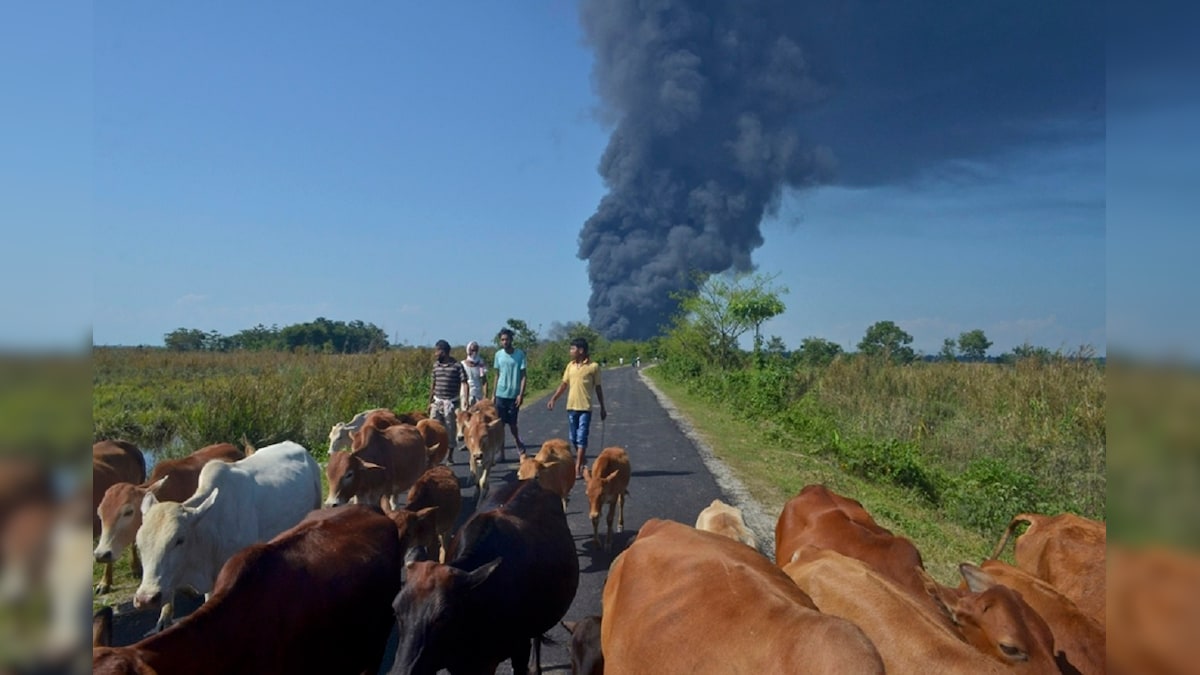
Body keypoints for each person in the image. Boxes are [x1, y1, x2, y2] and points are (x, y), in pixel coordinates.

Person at [547, 337, 607, 480]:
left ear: (581, 351)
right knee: (573, 437)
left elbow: (598, 388)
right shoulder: (570, 366)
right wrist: (553, 398)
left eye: (572, 349)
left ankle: (577, 467)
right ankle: (582, 458)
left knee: (581, 437)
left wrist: (603, 407)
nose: (570, 351)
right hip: (571, 407)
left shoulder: (593, 367)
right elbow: (563, 385)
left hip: (585, 408)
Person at [491, 328, 528, 460]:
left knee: (513, 425)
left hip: (513, 395)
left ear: (511, 340)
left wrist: (521, 394)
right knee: (500, 425)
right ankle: (502, 452)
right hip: (501, 394)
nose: (505, 342)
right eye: (502, 340)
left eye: (507, 339)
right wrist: (493, 394)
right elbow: (497, 375)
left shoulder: (519, 355)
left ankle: (519, 444)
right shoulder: (498, 355)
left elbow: (523, 376)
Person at [429, 339, 467, 464]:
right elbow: (433, 384)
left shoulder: (457, 366)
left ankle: (450, 455)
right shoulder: (436, 366)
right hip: (437, 401)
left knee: (450, 429)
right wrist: (430, 401)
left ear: (444, 352)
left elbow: (464, 383)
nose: (435, 354)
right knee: (433, 429)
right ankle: (435, 455)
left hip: (451, 402)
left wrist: (464, 400)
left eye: (437, 351)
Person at [460, 340, 488, 407]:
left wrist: (485, 396)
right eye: (472, 350)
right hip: (465, 395)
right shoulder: (462, 364)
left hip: (478, 395)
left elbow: (484, 381)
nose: (474, 353)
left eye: (476, 350)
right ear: (468, 351)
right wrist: (466, 399)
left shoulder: (481, 364)